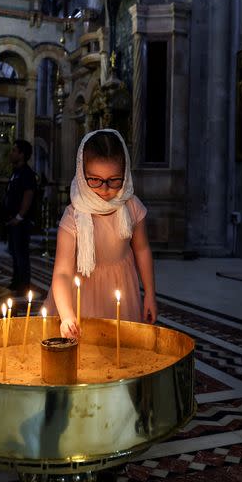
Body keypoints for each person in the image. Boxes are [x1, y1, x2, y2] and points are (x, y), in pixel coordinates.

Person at [47, 129, 157, 339]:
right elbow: (62, 272)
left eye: (114, 180)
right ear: (82, 174)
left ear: (125, 175)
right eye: (95, 180)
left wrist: (150, 294)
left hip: (121, 290)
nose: (105, 189)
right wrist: (67, 315)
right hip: (81, 295)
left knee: (119, 348)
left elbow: (142, 250)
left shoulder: (131, 206)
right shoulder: (74, 216)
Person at [5, 139, 37, 294]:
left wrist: (19, 216)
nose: (11, 153)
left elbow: (28, 194)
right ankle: (16, 280)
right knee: (14, 252)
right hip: (13, 219)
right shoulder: (15, 172)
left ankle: (24, 284)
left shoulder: (27, 173)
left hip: (21, 221)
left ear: (22, 154)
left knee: (21, 253)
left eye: (14, 150)